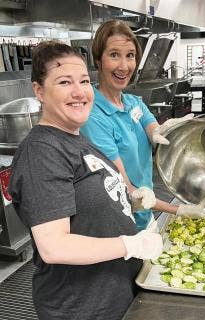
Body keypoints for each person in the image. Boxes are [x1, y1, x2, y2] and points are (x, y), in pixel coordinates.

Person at [8, 40, 163, 320]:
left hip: (115, 293)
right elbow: (54, 246)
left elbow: (87, 200)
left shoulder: (76, 139)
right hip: (81, 306)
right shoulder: (41, 152)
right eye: (65, 82)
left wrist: (128, 201)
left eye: (84, 81)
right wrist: (130, 244)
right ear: (39, 91)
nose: (79, 92)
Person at [80, 20, 205, 231]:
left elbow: (150, 125)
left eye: (130, 55)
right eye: (114, 55)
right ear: (98, 60)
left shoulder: (132, 102)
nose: (124, 66)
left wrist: (162, 130)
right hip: (120, 227)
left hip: (144, 216)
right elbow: (126, 190)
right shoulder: (94, 118)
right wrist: (177, 210)